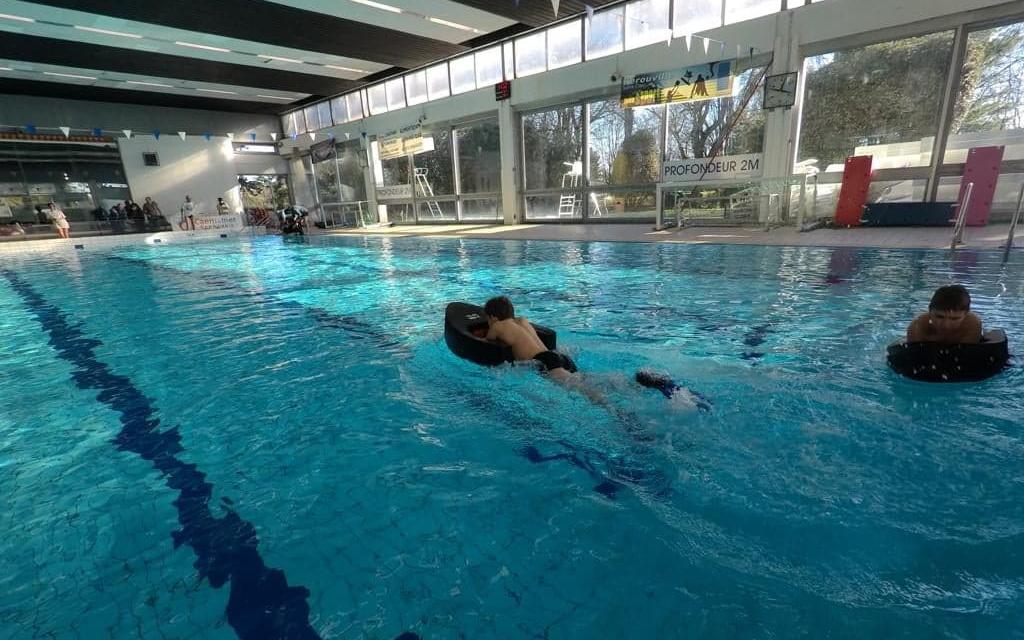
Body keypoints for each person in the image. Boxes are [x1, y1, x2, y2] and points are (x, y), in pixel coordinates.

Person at [906, 285, 983, 344]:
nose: (946, 325)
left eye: (955, 319)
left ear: (966, 315)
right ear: (930, 311)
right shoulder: (918, 326)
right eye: (939, 317)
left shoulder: (972, 324)